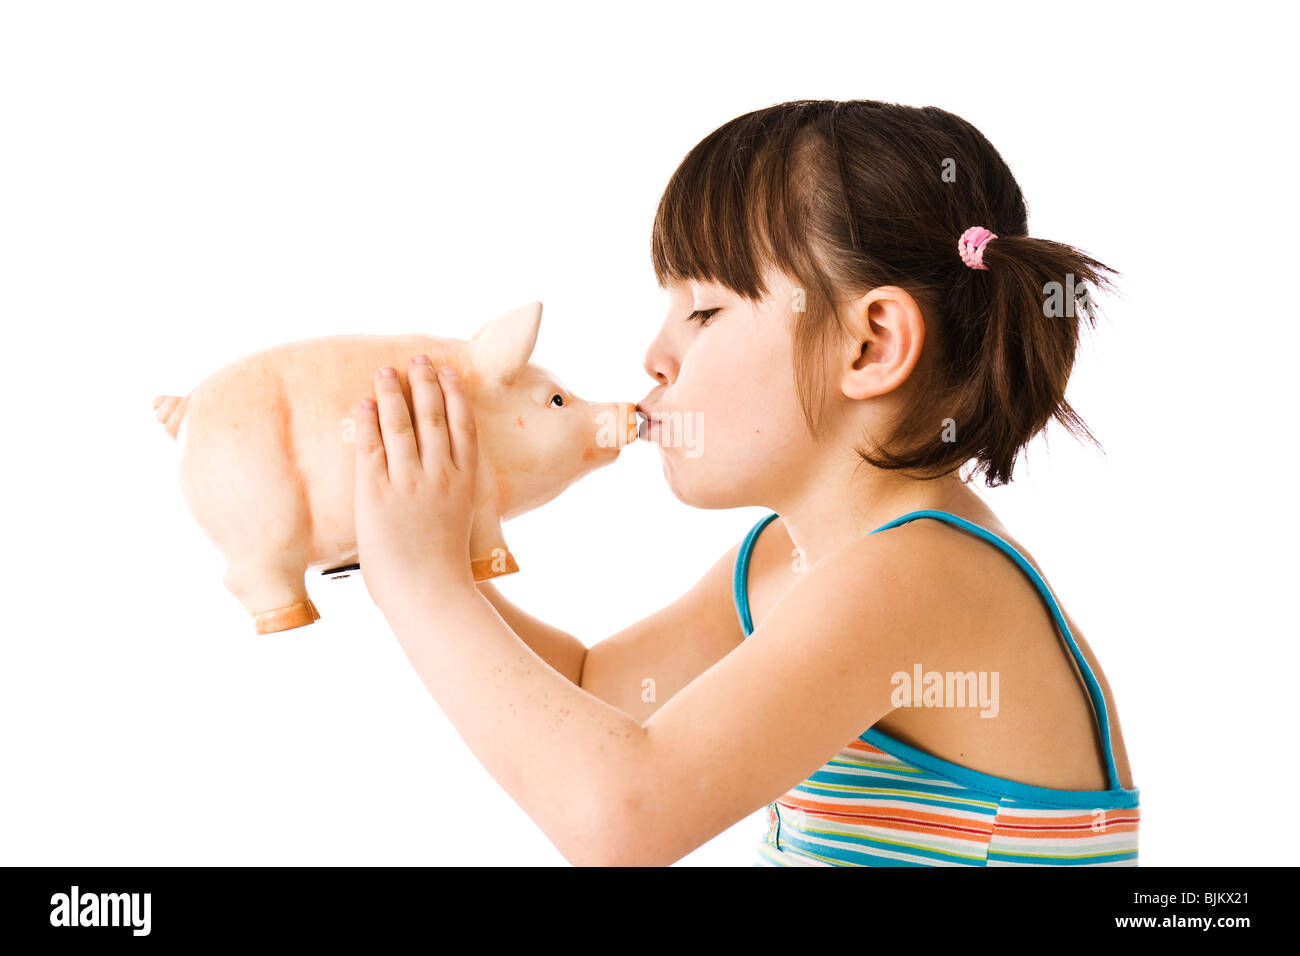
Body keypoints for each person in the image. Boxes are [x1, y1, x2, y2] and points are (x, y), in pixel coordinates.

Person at [349, 99, 1139, 866]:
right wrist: (422, 552)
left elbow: (624, 819)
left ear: (870, 346)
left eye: (704, 311)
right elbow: (596, 692)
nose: (653, 355)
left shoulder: (924, 577)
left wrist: (423, 583)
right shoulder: (776, 564)